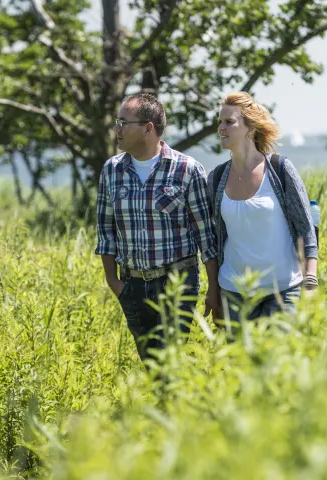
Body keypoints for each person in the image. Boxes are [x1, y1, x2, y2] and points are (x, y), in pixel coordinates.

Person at [95, 92, 221, 366]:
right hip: (132, 286)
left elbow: (206, 236)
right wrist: (114, 282)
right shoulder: (111, 171)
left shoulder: (187, 170)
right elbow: (105, 231)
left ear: (147, 128)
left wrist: (214, 289)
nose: (117, 129)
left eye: (123, 122)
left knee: (170, 366)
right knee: (152, 367)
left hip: (177, 284)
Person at [208, 91, 318, 325]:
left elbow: (306, 230)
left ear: (250, 129)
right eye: (220, 121)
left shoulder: (280, 170)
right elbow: (214, 240)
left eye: (229, 122)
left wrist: (310, 282)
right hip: (234, 294)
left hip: (283, 292)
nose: (221, 128)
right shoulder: (216, 178)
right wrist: (214, 292)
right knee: (238, 363)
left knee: (279, 361)